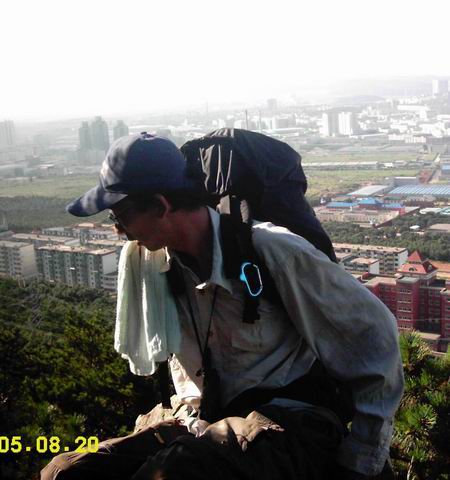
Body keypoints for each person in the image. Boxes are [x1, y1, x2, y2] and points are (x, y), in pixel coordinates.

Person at [41, 132, 404, 480]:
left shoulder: (272, 251)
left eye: (119, 216)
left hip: (289, 419)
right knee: (65, 471)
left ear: (161, 205)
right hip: (206, 418)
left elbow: (374, 337)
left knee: (173, 473)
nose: (118, 230)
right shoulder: (157, 265)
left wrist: (361, 459)